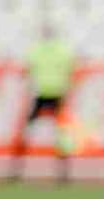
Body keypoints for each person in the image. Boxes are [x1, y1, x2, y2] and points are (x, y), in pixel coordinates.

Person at [9, 23, 77, 184]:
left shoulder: (36, 50)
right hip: (57, 95)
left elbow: (27, 71)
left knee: (28, 132)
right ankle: (64, 174)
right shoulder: (64, 50)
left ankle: (15, 171)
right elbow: (71, 72)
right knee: (62, 136)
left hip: (41, 95)